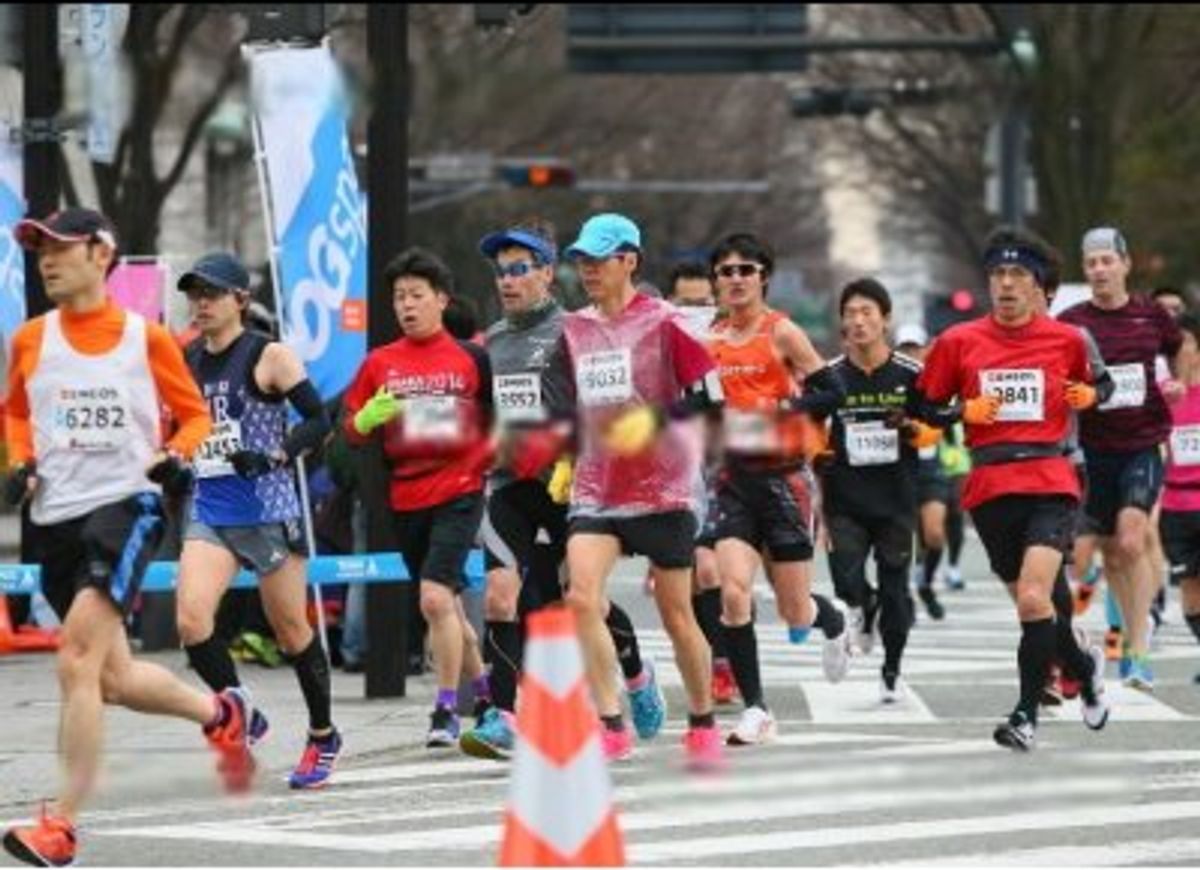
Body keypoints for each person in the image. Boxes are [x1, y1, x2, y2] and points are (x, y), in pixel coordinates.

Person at [0, 209, 244, 867]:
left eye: (59, 248)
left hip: (126, 507)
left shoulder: (146, 338)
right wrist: (18, 462)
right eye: (37, 249)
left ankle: (61, 826)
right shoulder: (28, 339)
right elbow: (17, 414)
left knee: (74, 658)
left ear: (101, 254)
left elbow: (193, 417)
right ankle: (221, 714)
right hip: (54, 521)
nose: (46, 260)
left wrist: (173, 454)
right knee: (109, 679)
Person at [460, 219, 661, 761]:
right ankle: (503, 717)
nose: (508, 281)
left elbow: (609, 404)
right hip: (509, 485)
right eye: (501, 272)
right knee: (503, 595)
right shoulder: (492, 341)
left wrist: (580, 456)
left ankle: (636, 673)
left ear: (547, 274)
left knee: (577, 601)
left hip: (568, 485)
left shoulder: (576, 331)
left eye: (520, 270)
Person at [542, 213, 725, 767]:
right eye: (581, 260)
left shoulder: (669, 323)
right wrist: (565, 451)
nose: (588, 270)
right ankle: (610, 721)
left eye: (599, 259)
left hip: (662, 488)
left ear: (630, 261)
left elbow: (709, 397)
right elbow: (561, 401)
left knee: (677, 614)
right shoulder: (572, 329)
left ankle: (700, 718)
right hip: (598, 488)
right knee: (579, 596)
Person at [916, 226, 1109, 751]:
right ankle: (1084, 669)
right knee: (1042, 604)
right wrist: (962, 411)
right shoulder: (959, 341)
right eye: (998, 274)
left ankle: (1025, 715)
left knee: (1031, 598)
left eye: (1018, 274)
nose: (1005, 284)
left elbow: (1102, 383)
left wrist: (1089, 395)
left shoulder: (1067, 339)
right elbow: (920, 407)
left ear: (1038, 283)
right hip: (989, 485)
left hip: (1050, 478)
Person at [173, 252, 341, 790]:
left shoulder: (269, 356)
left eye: (212, 294)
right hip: (212, 508)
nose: (201, 304)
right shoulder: (188, 360)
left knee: (292, 631)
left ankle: (322, 735)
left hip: (269, 510)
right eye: (194, 294)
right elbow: (184, 427)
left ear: (240, 301)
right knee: (191, 621)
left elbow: (319, 420)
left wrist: (273, 456)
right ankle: (240, 709)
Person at [342, 248, 491, 747]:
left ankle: (445, 711)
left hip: (461, 490)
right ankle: (487, 694)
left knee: (432, 598)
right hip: (405, 496)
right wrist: (366, 421)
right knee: (442, 603)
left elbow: (500, 421)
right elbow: (349, 430)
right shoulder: (379, 363)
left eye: (416, 295)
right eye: (399, 297)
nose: (406, 305)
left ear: (441, 300)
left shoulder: (472, 359)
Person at [706, 232, 851, 746]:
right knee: (733, 591)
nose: (737, 279)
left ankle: (830, 618)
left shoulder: (782, 332)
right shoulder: (710, 340)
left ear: (763, 276)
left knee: (794, 610)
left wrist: (783, 410)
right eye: (726, 271)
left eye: (746, 269)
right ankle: (757, 710)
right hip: (732, 481)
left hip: (786, 481)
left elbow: (833, 391)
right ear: (716, 282)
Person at [1058, 227, 1183, 691]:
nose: (1099, 270)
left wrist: (1178, 385)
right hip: (1091, 451)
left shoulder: (1152, 317)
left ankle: (1137, 653)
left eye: (1107, 260)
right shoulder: (1072, 321)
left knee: (1131, 539)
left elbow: (1179, 347)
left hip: (1141, 446)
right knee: (1106, 554)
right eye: (1091, 263)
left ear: (1125, 264)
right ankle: (1132, 634)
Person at [825, 282, 948, 703]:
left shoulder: (911, 375)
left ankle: (891, 668)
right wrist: (814, 452)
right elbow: (809, 430)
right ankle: (865, 604)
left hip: (897, 500)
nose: (858, 321)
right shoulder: (831, 376)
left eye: (867, 312)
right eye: (851, 313)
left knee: (897, 593)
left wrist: (911, 428)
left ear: (885, 319)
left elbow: (935, 431)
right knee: (845, 580)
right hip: (844, 499)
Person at [662, 262, 736, 704]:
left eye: (702, 304)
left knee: (709, 571)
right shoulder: (654, 348)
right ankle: (706, 656)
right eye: (684, 304)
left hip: (714, 476)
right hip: (664, 479)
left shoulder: (720, 351)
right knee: (686, 582)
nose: (693, 313)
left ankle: (721, 665)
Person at [1158, 312, 1200, 683]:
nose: (1178, 352)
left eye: (1184, 343)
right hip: (1175, 508)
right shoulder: (1163, 398)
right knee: (1190, 591)